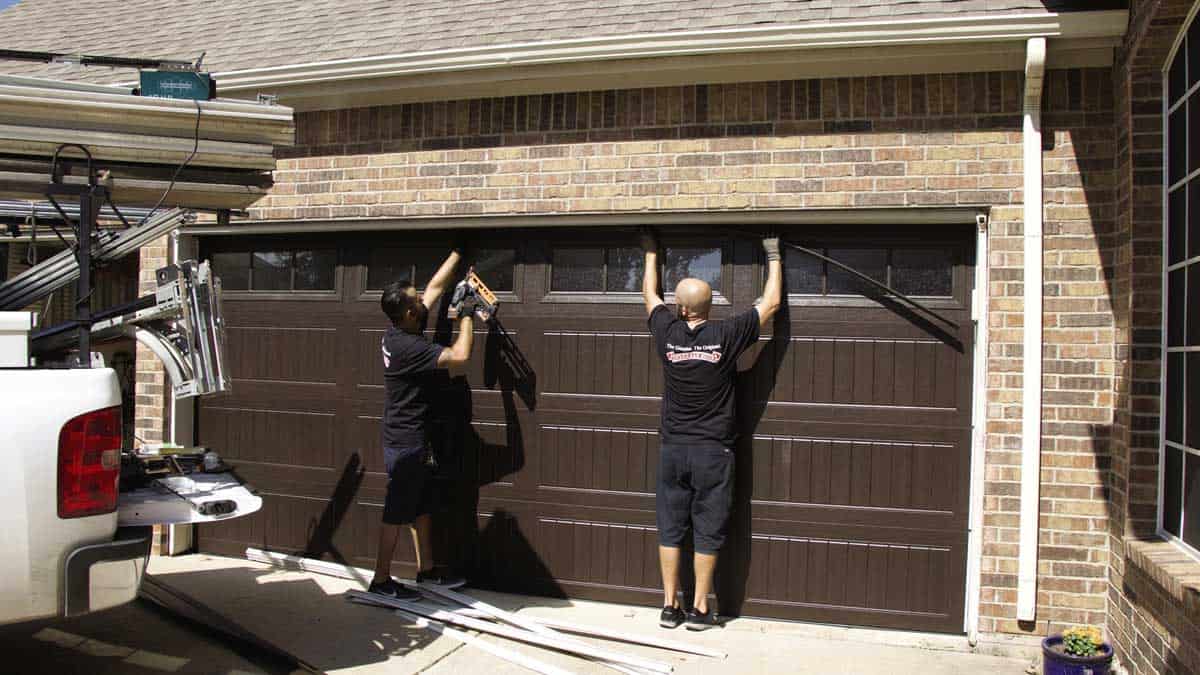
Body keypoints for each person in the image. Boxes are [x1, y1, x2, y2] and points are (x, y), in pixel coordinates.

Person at [639, 228, 782, 630]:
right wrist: (773, 254)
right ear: (707, 307)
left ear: (680, 310)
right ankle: (701, 608)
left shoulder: (667, 333)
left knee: (670, 527)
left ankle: (670, 606)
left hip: (673, 451)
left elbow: (650, 297)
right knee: (708, 528)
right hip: (713, 455)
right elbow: (770, 304)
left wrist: (651, 253)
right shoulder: (725, 334)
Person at [368, 246, 486, 599]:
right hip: (406, 444)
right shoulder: (407, 347)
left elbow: (434, 287)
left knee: (422, 507)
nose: (423, 299)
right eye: (416, 299)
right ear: (408, 312)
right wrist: (466, 312)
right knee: (396, 512)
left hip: (411, 438)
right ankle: (381, 580)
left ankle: (426, 572)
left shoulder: (398, 330)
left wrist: (459, 252)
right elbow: (460, 356)